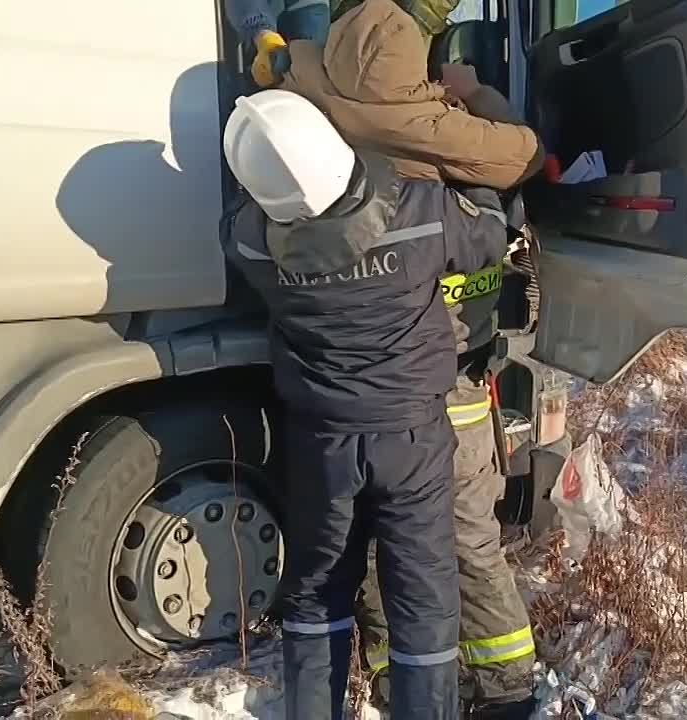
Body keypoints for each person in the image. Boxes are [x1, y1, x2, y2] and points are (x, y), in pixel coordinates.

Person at [268, 0, 546, 715]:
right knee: (456, 542)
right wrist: (470, 89)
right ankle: (500, 688)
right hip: (435, 368)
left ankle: (417, 681)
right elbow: (520, 154)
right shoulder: (439, 139)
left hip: (372, 371)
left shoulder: (302, 85)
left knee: (365, 558)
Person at [222, 89, 512, 719]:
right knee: (424, 597)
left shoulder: (250, 243)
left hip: (322, 442)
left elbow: (241, 223)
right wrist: (484, 187)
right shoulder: (424, 211)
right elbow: (489, 236)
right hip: (411, 441)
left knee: (317, 592)